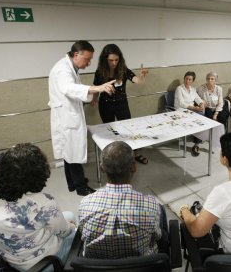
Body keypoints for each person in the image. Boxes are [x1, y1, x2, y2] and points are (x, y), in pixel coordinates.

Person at [0, 143, 76, 271]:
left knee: (68, 215)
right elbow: (65, 232)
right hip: (42, 263)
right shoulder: (43, 202)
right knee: (77, 231)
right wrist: (74, 227)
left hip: (9, 257)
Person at [49, 40, 115, 196]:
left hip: (68, 116)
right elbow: (68, 88)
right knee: (73, 153)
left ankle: (72, 184)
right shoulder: (63, 69)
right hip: (67, 118)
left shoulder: (71, 67)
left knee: (69, 153)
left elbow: (75, 91)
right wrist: (98, 88)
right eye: (87, 59)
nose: (89, 63)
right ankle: (80, 187)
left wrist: (90, 95)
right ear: (76, 54)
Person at [78, 141, 166, 259]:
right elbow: (157, 236)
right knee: (161, 212)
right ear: (134, 167)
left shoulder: (85, 204)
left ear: (101, 168)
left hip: (97, 267)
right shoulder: (151, 206)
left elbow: (82, 235)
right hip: (142, 267)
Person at [91, 44, 149, 165]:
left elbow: (136, 80)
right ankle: (113, 158)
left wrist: (142, 77)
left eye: (116, 60)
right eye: (111, 60)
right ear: (105, 59)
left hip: (122, 104)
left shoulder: (123, 70)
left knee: (128, 130)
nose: (114, 63)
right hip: (105, 105)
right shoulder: (100, 72)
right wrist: (94, 99)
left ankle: (135, 154)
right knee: (110, 132)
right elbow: (96, 88)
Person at [174, 71, 205, 157]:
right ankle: (196, 141)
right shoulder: (179, 89)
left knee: (202, 117)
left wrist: (201, 103)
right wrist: (194, 108)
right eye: (186, 79)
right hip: (181, 110)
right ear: (184, 79)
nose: (187, 81)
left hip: (191, 110)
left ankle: (196, 144)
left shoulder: (193, 89)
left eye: (190, 79)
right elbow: (181, 103)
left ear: (192, 81)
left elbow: (197, 98)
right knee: (197, 118)